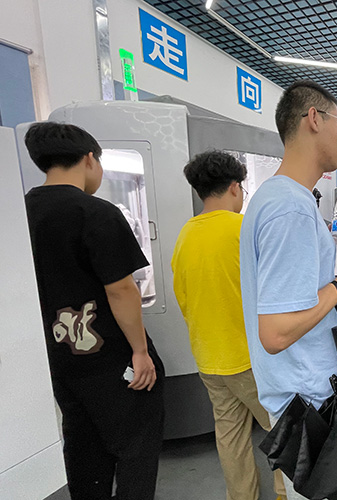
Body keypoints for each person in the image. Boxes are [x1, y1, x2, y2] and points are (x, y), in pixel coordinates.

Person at [239, 81, 337, 500]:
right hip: (315, 406)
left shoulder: (278, 198)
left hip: (306, 397)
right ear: (314, 119)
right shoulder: (290, 208)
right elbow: (276, 332)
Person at [23, 122, 164, 500]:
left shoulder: (21, 212)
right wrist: (140, 351)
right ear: (89, 159)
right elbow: (121, 288)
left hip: (57, 359)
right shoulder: (96, 212)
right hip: (109, 356)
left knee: (82, 444)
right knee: (136, 445)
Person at [172, 151, 286, 500]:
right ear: (236, 187)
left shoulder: (185, 235)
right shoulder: (243, 229)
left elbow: (183, 299)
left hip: (208, 358)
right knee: (284, 430)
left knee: (230, 436)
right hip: (250, 358)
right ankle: (285, 492)